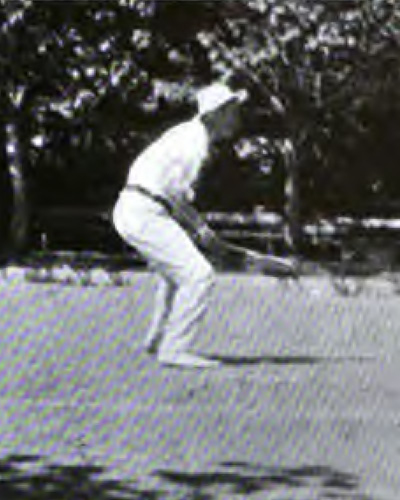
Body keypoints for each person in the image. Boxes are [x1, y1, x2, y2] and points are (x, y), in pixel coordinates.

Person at [112, 82, 248, 368]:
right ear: (214, 114)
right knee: (200, 276)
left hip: (138, 208)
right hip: (143, 211)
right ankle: (174, 349)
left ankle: (156, 339)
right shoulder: (194, 144)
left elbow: (171, 197)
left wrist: (199, 229)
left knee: (174, 274)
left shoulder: (187, 134)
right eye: (231, 111)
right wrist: (201, 230)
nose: (237, 118)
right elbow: (175, 197)